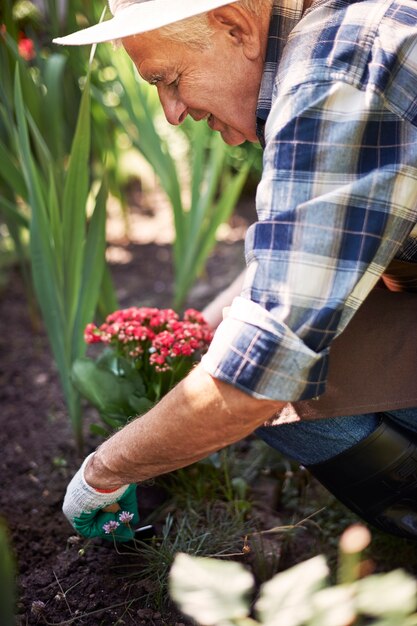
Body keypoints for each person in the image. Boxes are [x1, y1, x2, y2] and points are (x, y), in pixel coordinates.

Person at [54, 0, 417, 540]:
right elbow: (313, 251)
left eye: (171, 78)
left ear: (234, 25)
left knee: (280, 390)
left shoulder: (332, 73)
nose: (171, 112)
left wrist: (105, 471)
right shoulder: (346, 29)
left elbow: (260, 374)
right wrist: (204, 323)